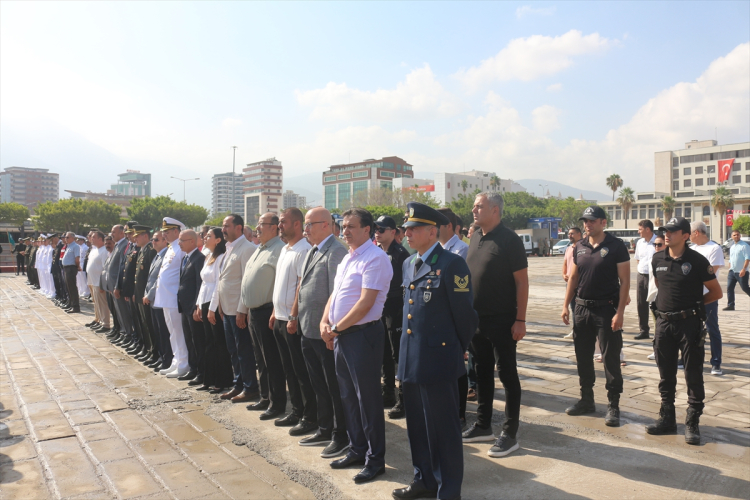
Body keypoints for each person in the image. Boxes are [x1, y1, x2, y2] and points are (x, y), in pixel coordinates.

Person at [392, 203, 478, 500]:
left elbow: (465, 317)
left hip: (438, 359)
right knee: (416, 426)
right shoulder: (408, 264)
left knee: (444, 430)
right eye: (406, 229)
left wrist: (457, 351)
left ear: (433, 231)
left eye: (414, 229)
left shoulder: (452, 264)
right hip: (410, 359)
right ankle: (423, 480)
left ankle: (448, 490)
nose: (407, 234)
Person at [320, 208, 392, 484]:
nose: (345, 230)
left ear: (367, 230)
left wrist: (336, 329)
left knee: (368, 400)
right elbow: (335, 295)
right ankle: (357, 449)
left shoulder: (376, 258)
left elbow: (365, 304)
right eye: (344, 225)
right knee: (348, 397)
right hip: (342, 336)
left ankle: (375, 460)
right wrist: (325, 322)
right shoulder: (348, 258)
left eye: (351, 226)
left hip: (362, 336)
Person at [463, 192, 528, 458]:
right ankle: (483, 425)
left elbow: (522, 282)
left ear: (495, 211)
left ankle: (510, 434)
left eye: (479, 206)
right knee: (481, 373)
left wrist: (520, 319)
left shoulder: (510, 240)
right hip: (477, 320)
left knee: (507, 375)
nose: (473, 210)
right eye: (474, 206)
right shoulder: (476, 236)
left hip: (503, 320)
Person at [647, 217, 722, 445]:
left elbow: (716, 292)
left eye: (672, 231)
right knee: (665, 373)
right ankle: (667, 418)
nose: (666, 235)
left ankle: (692, 421)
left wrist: (696, 306)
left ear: (686, 235)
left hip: (689, 324)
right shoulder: (657, 258)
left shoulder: (697, 261)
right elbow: (661, 286)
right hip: (664, 324)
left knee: (693, 373)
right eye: (665, 231)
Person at [561, 206, 630, 427]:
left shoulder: (616, 246)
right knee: (583, 356)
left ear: (603, 222)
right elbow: (573, 278)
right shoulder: (579, 247)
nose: (587, 225)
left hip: (606, 309)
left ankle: (613, 405)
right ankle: (586, 400)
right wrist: (565, 306)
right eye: (585, 221)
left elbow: (625, 282)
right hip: (581, 309)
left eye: (591, 221)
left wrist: (619, 312)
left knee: (610, 359)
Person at [295, 207, 350, 458]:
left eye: (310, 224)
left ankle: (341, 434)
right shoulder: (313, 250)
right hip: (309, 329)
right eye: (305, 224)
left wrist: (332, 329)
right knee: (319, 384)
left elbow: (336, 295)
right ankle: (325, 427)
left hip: (325, 333)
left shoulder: (336, 251)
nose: (306, 229)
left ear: (326, 225)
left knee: (333, 387)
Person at [271, 208, 318, 436]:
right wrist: (275, 311)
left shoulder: (303, 250)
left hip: (293, 320)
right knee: (288, 369)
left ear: (297, 224)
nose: (280, 225)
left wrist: (292, 315)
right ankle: (297, 411)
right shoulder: (285, 249)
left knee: (301, 371)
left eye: (283, 222)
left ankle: (310, 417)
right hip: (279, 317)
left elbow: (301, 285)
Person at [238, 213, 285, 411]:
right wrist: (243, 309)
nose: (257, 228)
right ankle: (265, 397)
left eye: (262, 225)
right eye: (257, 224)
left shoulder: (280, 250)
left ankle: (277, 403)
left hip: (268, 311)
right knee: (261, 360)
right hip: (254, 312)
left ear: (274, 227)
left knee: (272, 360)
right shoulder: (260, 249)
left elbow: (281, 284)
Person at [213, 214, 259, 402]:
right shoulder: (229, 249)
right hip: (228, 309)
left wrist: (242, 310)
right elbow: (224, 280)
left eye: (227, 225)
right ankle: (238, 384)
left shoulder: (247, 249)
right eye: (223, 226)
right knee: (233, 350)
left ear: (238, 228)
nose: (223, 229)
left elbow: (246, 283)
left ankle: (250, 387)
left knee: (244, 350)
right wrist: (221, 306)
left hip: (238, 310)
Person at [373, 214, 410, 418]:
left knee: (398, 355)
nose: (377, 233)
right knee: (384, 353)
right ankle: (388, 393)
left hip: (396, 309)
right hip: (381, 309)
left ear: (393, 232)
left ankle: (403, 399)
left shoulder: (400, 254)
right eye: (376, 230)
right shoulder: (378, 251)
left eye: (381, 230)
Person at [196, 228, 235, 392]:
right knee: (209, 343)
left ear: (218, 240)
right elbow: (204, 283)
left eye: (209, 236)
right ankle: (209, 379)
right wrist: (199, 305)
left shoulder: (221, 257)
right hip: (204, 302)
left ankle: (223, 380)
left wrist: (212, 308)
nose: (205, 238)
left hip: (215, 304)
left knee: (219, 344)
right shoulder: (208, 257)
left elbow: (218, 285)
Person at [154, 217, 190, 378]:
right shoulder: (171, 247)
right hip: (166, 297)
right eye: (163, 232)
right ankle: (176, 361)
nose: (164, 235)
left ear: (176, 231)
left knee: (178, 332)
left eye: (167, 232)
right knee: (172, 332)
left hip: (175, 297)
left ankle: (183, 363)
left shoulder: (181, 248)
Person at [689, 221, 725, 376]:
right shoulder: (691, 249)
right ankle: (688, 360)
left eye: (689, 233)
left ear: (697, 232)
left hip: (708, 295)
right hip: (691, 296)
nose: (688, 236)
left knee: (711, 329)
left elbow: (710, 271)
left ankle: (716, 362)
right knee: (689, 329)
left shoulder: (714, 248)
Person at [177, 229, 206, 383]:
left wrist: (196, 306)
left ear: (192, 241)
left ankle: (201, 373)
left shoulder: (199, 258)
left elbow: (199, 285)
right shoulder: (186, 258)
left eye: (182, 240)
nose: (179, 243)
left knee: (197, 341)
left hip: (192, 308)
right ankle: (193, 368)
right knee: (189, 340)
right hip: (184, 306)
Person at [144, 230, 173, 372]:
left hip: (159, 299)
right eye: (152, 239)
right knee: (157, 331)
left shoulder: (166, 255)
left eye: (156, 239)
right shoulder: (157, 256)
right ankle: (161, 357)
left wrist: (149, 295)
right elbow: (150, 278)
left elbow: (158, 280)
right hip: (153, 299)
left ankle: (167, 360)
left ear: (164, 241)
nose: (153, 242)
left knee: (163, 332)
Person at [133, 226, 159, 364]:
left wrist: (147, 294)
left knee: (149, 325)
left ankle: (154, 352)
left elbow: (151, 277)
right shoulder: (142, 250)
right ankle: (148, 349)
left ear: (145, 236)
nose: (134, 238)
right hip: (140, 294)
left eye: (137, 235)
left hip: (147, 295)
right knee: (143, 324)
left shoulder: (150, 251)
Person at [634, 220, 657, 340]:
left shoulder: (658, 241)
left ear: (648, 229)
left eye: (640, 229)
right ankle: (644, 330)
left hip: (654, 277)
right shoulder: (639, 243)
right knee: (641, 304)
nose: (638, 232)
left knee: (655, 304)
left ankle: (658, 331)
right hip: (641, 275)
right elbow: (638, 259)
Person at [646, 234, 665, 361]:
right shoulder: (652, 259)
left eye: (660, 244)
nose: (656, 247)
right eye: (655, 244)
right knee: (655, 326)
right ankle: (656, 350)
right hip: (653, 295)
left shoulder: (669, 260)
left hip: (664, 298)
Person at [86, 231, 109, 333]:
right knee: (97, 303)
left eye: (94, 237)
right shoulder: (95, 250)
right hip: (92, 280)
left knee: (102, 304)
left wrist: (103, 283)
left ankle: (106, 324)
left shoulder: (104, 251)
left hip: (99, 282)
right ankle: (99, 320)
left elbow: (105, 268)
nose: (91, 239)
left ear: (100, 239)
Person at [562, 227, 583, 339]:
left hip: (581, 283)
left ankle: (580, 331)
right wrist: (564, 274)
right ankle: (575, 330)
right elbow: (565, 263)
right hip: (570, 282)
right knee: (573, 307)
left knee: (580, 308)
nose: (570, 235)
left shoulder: (583, 248)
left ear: (579, 234)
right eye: (569, 234)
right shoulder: (569, 249)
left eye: (572, 234)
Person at [725, 229, 750, 311]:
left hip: (742, 271)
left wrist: (744, 269)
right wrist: (730, 267)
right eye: (734, 235)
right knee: (729, 288)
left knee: (745, 288)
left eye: (738, 234)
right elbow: (731, 259)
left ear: (740, 236)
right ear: (731, 236)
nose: (736, 236)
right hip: (732, 271)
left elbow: (747, 258)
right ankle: (731, 305)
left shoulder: (744, 246)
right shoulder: (732, 247)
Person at [60, 232, 82, 313]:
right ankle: (71, 304)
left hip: (71, 268)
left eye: (67, 237)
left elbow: (77, 259)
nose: (66, 238)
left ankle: (76, 307)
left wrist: (77, 266)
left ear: (73, 238)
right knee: (68, 288)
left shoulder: (75, 246)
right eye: (65, 237)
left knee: (72, 288)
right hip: (66, 268)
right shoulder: (69, 246)